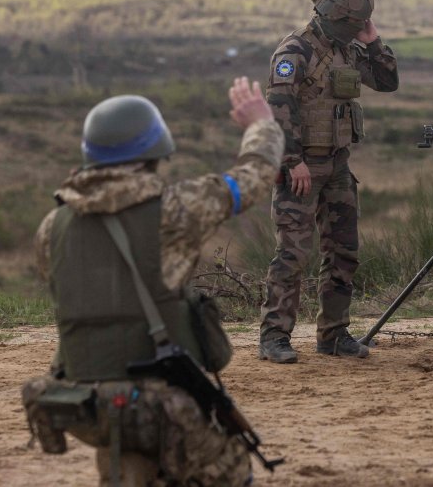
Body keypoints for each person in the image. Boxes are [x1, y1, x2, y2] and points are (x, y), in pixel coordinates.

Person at [22, 77, 284, 486]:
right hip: (160, 402)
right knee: (231, 471)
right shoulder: (174, 211)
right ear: (154, 152)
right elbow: (257, 174)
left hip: (84, 406)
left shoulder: (51, 227)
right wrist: (261, 123)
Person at [260, 0, 399, 363]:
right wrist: (293, 162)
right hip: (301, 169)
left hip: (337, 165)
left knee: (343, 252)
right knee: (292, 254)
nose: (354, 30)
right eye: (351, 23)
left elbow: (388, 82)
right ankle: (274, 337)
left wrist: (373, 43)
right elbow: (278, 113)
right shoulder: (295, 52)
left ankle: (334, 335)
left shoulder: (349, 48)